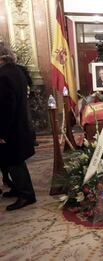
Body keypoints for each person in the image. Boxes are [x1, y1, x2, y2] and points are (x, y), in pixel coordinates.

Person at [0, 44, 36, 211]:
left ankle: (26, 195)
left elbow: (6, 107)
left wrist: (2, 132)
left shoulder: (3, 75)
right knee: (11, 160)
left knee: (15, 161)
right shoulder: (17, 71)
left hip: (11, 128)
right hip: (20, 123)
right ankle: (16, 188)